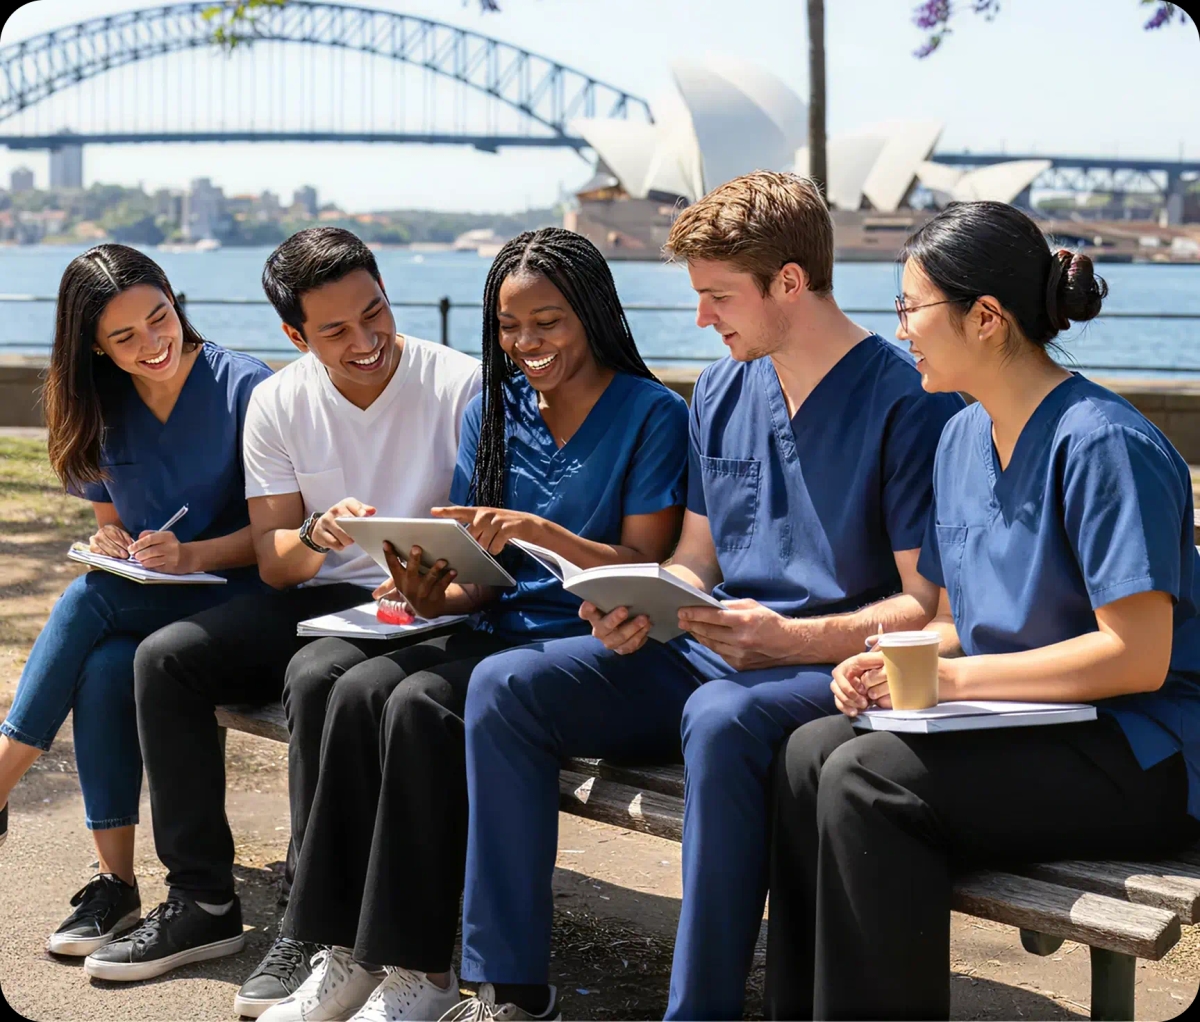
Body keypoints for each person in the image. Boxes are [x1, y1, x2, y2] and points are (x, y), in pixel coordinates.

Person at [443, 172, 965, 1022]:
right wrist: (638, 604)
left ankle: (701, 1011)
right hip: (713, 646)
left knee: (721, 720)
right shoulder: (723, 387)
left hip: (828, 668)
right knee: (506, 688)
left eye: (719, 295)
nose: (701, 318)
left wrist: (790, 642)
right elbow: (694, 559)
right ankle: (507, 990)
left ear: (788, 283)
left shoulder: (907, 402)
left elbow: (922, 609)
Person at [765, 201, 1200, 1021]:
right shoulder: (963, 440)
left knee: (868, 783)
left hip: (1145, 747)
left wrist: (951, 680)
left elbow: (1136, 657)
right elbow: (965, 620)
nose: (900, 330)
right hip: (1031, 726)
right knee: (805, 756)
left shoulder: (1104, 443)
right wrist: (889, 659)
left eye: (911, 308)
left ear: (988, 317)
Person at [258, 227, 689, 1022]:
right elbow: (478, 588)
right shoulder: (494, 412)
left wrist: (537, 530)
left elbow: (645, 560)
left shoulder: (652, 412)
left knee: (421, 705)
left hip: (595, 643)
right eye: (508, 327)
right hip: (499, 632)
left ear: (591, 313)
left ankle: (422, 972)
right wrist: (431, 593)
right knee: (356, 692)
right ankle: (346, 953)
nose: (527, 343)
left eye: (547, 322)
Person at [82, 228, 481, 998]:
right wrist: (313, 532)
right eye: (335, 330)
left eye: (376, 313)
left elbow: (479, 533)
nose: (366, 341)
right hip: (325, 592)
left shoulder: (457, 384)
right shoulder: (278, 400)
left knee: (315, 674)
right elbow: (275, 560)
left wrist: (428, 575)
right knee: (165, 659)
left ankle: (311, 918)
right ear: (295, 336)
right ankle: (202, 899)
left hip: (435, 598)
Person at [0, 244, 271, 956]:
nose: (153, 343)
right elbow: (109, 521)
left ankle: (0, 776)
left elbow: (278, 539)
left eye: (160, 317)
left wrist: (193, 554)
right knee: (107, 663)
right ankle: (115, 885)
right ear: (93, 345)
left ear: (175, 301)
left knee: (90, 603)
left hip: (242, 601)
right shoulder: (102, 404)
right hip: (155, 601)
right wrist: (117, 543)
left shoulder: (245, 387)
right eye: (125, 337)